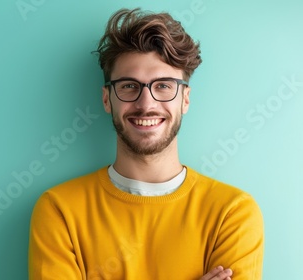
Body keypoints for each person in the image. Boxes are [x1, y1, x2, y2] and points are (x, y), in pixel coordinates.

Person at [28, 7, 264, 280]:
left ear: (185, 99)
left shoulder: (232, 213)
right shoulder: (59, 210)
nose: (146, 104)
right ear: (107, 99)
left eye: (163, 86)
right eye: (129, 86)